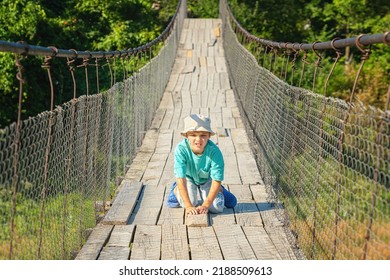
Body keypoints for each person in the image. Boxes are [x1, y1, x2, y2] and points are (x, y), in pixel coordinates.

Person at [166, 114, 237, 215]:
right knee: (191, 202)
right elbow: (181, 178)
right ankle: (176, 189)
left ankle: (221, 190)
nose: (198, 139)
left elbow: (216, 179)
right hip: (188, 178)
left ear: (209, 136)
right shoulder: (181, 149)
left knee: (218, 208)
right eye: (193, 135)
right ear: (186, 136)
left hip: (208, 179)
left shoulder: (214, 152)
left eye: (203, 135)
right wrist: (189, 206)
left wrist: (206, 205)